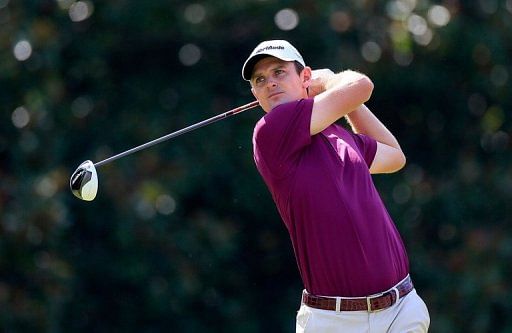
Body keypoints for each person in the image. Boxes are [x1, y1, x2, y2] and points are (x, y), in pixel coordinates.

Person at [241, 40, 430, 332]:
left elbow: (394, 156)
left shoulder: (339, 135)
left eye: (279, 72)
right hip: (335, 321)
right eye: (260, 80)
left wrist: (347, 104)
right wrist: (330, 81)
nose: (270, 84)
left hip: (401, 308)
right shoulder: (271, 130)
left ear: (305, 77)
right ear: (255, 94)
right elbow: (362, 85)